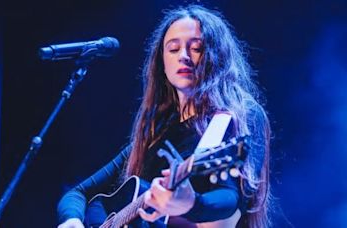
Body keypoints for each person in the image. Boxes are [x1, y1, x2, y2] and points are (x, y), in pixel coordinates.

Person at [57, 4, 271, 228]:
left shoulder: (237, 116)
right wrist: (71, 219)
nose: (184, 56)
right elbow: (78, 193)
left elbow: (230, 197)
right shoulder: (155, 134)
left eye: (196, 48)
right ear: (162, 62)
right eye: (173, 49)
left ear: (216, 56)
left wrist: (191, 204)